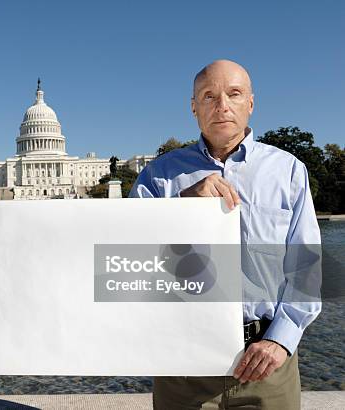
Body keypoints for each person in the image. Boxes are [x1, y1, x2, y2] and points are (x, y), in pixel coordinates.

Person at [129, 60, 321, 409]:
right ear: (193, 107)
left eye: (233, 94)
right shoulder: (159, 177)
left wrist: (281, 340)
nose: (222, 106)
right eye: (208, 96)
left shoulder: (288, 171)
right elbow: (128, 259)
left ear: (250, 103)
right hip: (183, 365)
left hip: (266, 362)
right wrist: (184, 204)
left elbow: (305, 267)